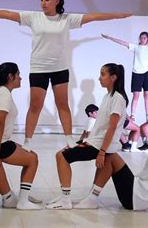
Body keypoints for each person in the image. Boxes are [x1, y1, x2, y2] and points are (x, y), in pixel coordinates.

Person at [0, 0, 131, 149]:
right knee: (35, 106)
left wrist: (117, 15)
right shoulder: (33, 17)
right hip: (39, 68)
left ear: (57, 0)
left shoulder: (66, 19)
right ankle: (28, 141)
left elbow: (93, 17)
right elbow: (7, 14)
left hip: (60, 68)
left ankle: (68, 138)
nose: (43, 3)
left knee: (63, 104)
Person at [46, 63, 128, 210]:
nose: (99, 78)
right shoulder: (108, 96)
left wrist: (102, 152)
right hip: (95, 142)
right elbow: (100, 127)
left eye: (103, 74)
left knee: (61, 156)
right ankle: (76, 198)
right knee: (62, 154)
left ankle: (65, 200)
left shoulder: (118, 98)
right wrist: (82, 142)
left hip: (99, 145)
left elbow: (112, 127)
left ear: (113, 77)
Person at [0, 62, 42, 210]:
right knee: (32, 159)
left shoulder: (2, 92)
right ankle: (23, 201)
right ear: (10, 76)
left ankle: (17, 197)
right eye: (18, 75)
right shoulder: (4, 94)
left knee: (31, 155)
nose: (21, 78)